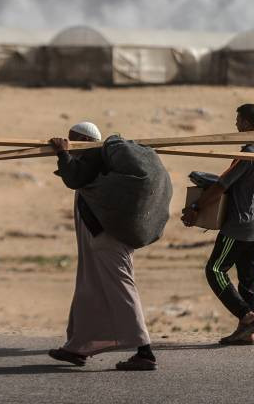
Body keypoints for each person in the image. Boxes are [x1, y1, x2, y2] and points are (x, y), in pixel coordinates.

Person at [46, 122, 158, 371]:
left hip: (106, 239)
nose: (70, 142)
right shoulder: (97, 160)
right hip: (100, 238)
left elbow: (73, 178)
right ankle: (78, 347)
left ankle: (145, 352)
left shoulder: (93, 157)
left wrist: (63, 154)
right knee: (89, 290)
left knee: (122, 290)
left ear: (85, 140)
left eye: (74, 139)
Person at [182, 104, 254, 345]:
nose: (235, 124)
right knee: (248, 281)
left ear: (247, 123)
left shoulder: (247, 154)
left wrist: (196, 207)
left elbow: (222, 186)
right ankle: (248, 332)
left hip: (238, 227)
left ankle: (246, 316)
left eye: (238, 120)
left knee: (215, 270)